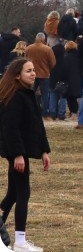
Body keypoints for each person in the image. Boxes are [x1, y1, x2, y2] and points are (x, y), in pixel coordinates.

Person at [0, 59, 51, 252]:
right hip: (15, 152)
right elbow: (10, 129)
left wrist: (44, 150)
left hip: (22, 151)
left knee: (13, 194)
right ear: (16, 75)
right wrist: (18, 155)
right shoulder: (13, 97)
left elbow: (38, 125)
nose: (33, 73)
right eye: (28, 71)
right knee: (23, 192)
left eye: (33, 70)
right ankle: (20, 241)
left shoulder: (28, 94)